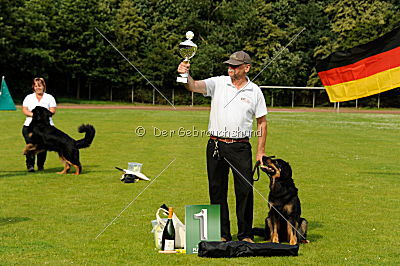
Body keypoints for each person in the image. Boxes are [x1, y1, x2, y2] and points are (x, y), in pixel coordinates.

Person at [177, 51, 267, 243]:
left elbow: (262, 123)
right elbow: (192, 86)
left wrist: (260, 151)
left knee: (244, 191)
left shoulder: (255, 91)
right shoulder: (218, 82)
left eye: (235, 66)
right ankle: (222, 234)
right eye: (230, 65)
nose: (230, 68)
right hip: (216, 145)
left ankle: (245, 234)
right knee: (217, 190)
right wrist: (185, 74)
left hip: (241, 147)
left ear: (246, 68)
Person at [22, 77, 57, 172]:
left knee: (43, 146)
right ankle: (30, 166)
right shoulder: (28, 97)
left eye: (40, 85)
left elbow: (52, 111)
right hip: (29, 126)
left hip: (46, 127)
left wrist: (42, 116)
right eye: (36, 86)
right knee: (30, 145)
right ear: (33, 87)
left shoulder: (50, 97)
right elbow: (25, 110)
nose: (38, 87)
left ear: (43, 86)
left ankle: (40, 166)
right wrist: (35, 115)